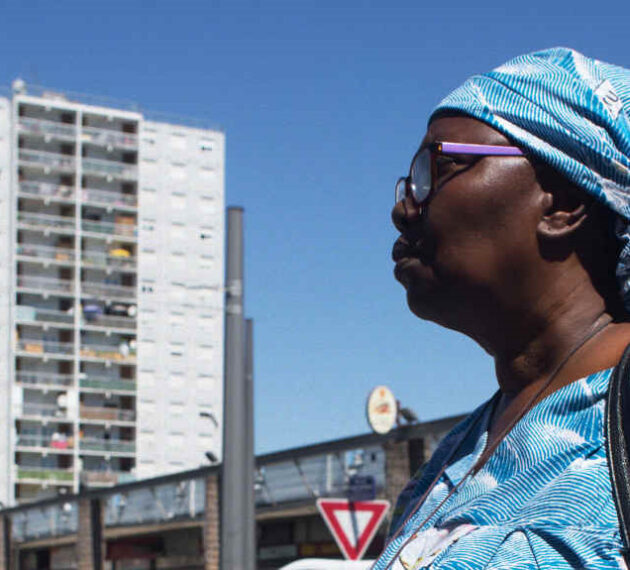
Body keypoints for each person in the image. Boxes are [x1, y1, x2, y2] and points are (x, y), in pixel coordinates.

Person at [375, 48, 630, 569]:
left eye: (438, 169)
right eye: (409, 181)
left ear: (562, 204)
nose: (404, 208)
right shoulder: (450, 458)